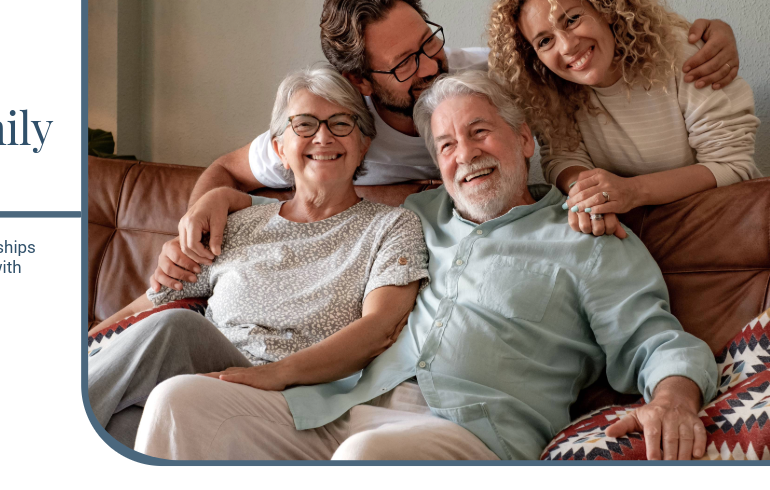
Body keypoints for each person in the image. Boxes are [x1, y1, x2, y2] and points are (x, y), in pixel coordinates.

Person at [135, 70, 717, 461]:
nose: (465, 155)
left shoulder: (588, 233)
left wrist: (673, 399)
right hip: (340, 406)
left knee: (364, 459)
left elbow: (657, 340)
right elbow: (297, 184)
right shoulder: (414, 214)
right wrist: (216, 197)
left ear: (524, 139)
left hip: (473, 429)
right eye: (445, 145)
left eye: (480, 132)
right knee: (178, 402)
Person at [153, 0, 740, 290]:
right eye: (405, 64)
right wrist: (203, 207)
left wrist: (708, 33)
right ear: (359, 81)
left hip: (533, 241)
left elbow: (591, 53)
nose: (432, 66)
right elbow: (228, 168)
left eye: (428, 41)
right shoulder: (334, 127)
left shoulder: (487, 71)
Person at [87, 65, 429, 448]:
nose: (323, 136)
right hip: (205, 380)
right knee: (120, 427)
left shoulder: (392, 226)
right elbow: (151, 303)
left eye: (341, 123)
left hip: (292, 394)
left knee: (176, 327)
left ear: (363, 143)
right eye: (304, 125)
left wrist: (280, 373)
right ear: (281, 148)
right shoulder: (238, 221)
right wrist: (88, 343)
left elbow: (380, 327)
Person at [488, 0, 760, 239]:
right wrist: (590, 195)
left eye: (571, 19)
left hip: (727, 233)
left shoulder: (681, 57)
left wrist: (631, 191)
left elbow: (732, 166)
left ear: (605, 7)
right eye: (544, 41)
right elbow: (562, 159)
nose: (566, 46)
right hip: (638, 238)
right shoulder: (549, 91)